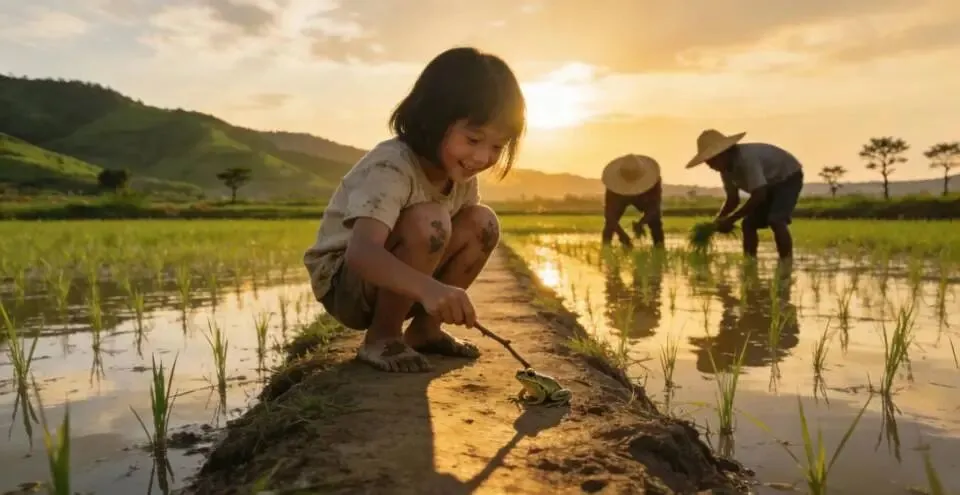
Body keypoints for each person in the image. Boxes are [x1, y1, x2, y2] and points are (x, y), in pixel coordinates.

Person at [302, 47, 526, 373]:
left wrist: (435, 291)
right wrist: (429, 289)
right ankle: (383, 337)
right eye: (473, 139)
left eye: (497, 146)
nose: (482, 158)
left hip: (401, 282)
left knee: (483, 222)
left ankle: (425, 331)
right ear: (434, 120)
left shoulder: (460, 176)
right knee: (430, 221)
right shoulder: (392, 165)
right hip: (345, 284)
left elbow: (455, 241)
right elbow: (361, 253)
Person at [684, 129, 804, 260]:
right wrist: (718, 221)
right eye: (707, 162)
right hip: (768, 184)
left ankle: (786, 262)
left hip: (787, 177)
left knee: (776, 220)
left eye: (712, 161)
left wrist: (731, 219)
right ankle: (750, 261)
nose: (710, 166)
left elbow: (759, 194)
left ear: (724, 153)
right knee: (748, 224)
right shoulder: (725, 170)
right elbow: (733, 199)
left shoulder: (747, 159)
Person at [600, 154, 664, 249]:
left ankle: (659, 248)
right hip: (620, 195)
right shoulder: (613, 187)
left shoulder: (654, 182)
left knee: (655, 222)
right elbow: (609, 214)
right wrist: (622, 235)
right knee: (609, 226)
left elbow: (654, 207)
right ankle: (605, 248)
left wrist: (641, 223)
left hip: (644, 196)